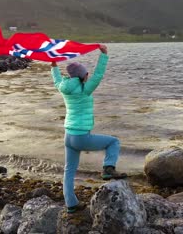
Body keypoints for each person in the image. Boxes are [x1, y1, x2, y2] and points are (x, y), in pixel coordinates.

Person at [51, 44, 127, 213]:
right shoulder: (85, 90)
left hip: (68, 136)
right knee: (113, 142)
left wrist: (54, 65)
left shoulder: (64, 88)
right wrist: (104, 55)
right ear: (81, 76)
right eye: (86, 73)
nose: (88, 75)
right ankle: (108, 168)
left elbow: (56, 80)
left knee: (69, 170)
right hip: (81, 136)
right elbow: (99, 74)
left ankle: (71, 204)